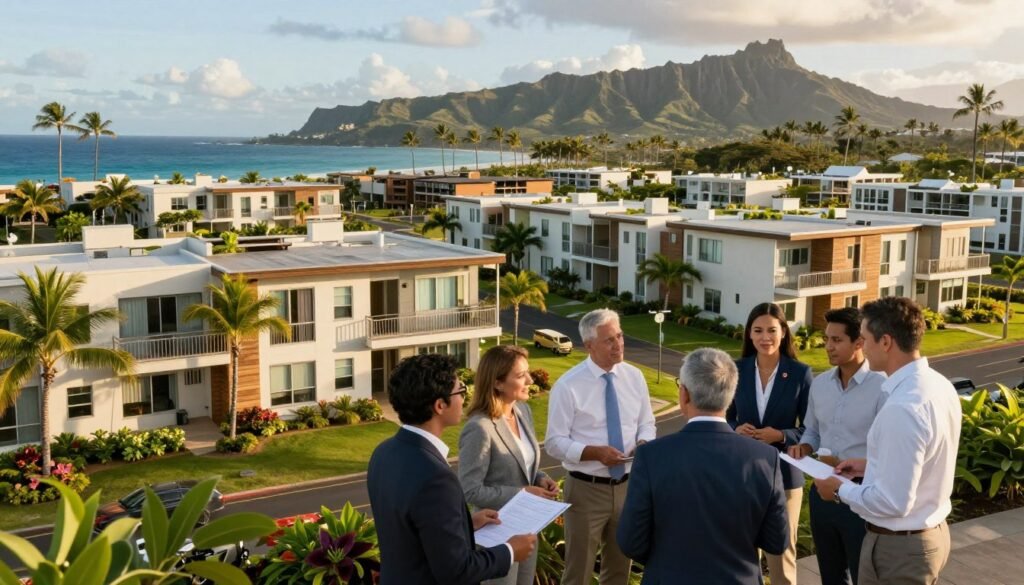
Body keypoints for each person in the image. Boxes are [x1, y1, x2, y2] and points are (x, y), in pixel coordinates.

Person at [815, 297, 961, 585]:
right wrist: (870, 466)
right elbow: (922, 462)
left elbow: (893, 502)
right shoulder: (938, 385)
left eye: (866, 339)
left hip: (900, 549)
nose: (863, 347)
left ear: (886, 342)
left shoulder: (902, 408)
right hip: (928, 533)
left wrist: (838, 490)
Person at [617, 347, 790, 584]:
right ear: (731, 394)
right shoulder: (766, 458)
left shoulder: (650, 456)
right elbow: (776, 542)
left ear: (684, 394)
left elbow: (631, 542)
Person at [367, 353, 537, 585]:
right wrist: (509, 551)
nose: (464, 399)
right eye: (460, 391)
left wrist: (466, 524)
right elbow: (456, 570)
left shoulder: (383, 453)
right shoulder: (436, 477)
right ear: (440, 405)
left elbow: (413, 531)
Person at [546, 309, 657, 585]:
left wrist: (643, 443)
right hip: (585, 490)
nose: (618, 344)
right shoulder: (568, 386)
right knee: (578, 573)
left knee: (619, 571)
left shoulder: (635, 377)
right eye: (609, 340)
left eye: (619, 336)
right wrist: (594, 453)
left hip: (628, 488)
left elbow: (647, 423)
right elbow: (554, 442)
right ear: (589, 345)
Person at [787, 307, 887, 585]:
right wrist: (804, 449)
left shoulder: (883, 388)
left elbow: (887, 447)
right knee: (831, 576)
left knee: (862, 574)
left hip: (862, 495)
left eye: (836, 340)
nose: (828, 346)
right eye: (826, 338)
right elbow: (812, 432)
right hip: (823, 492)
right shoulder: (819, 385)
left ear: (859, 343)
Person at [727, 302, 813, 585]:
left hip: (785, 475)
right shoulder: (735, 370)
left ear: (784, 332)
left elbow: (812, 429)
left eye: (772, 330)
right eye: (758, 330)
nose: (765, 337)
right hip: (743, 472)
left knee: (783, 549)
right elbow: (721, 418)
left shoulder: (800, 373)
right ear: (749, 335)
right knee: (744, 549)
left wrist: (781, 435)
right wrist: (735, 429)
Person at [459, 345, 560, 585]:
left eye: (528, 372)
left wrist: (539, 479)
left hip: (526, 529)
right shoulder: (479, 428)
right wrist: (523, 493)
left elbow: (522, 463)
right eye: (520, 375)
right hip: (496, 536)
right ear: (497, 383)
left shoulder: (522, 411)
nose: (530, 379)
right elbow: (470, 490)